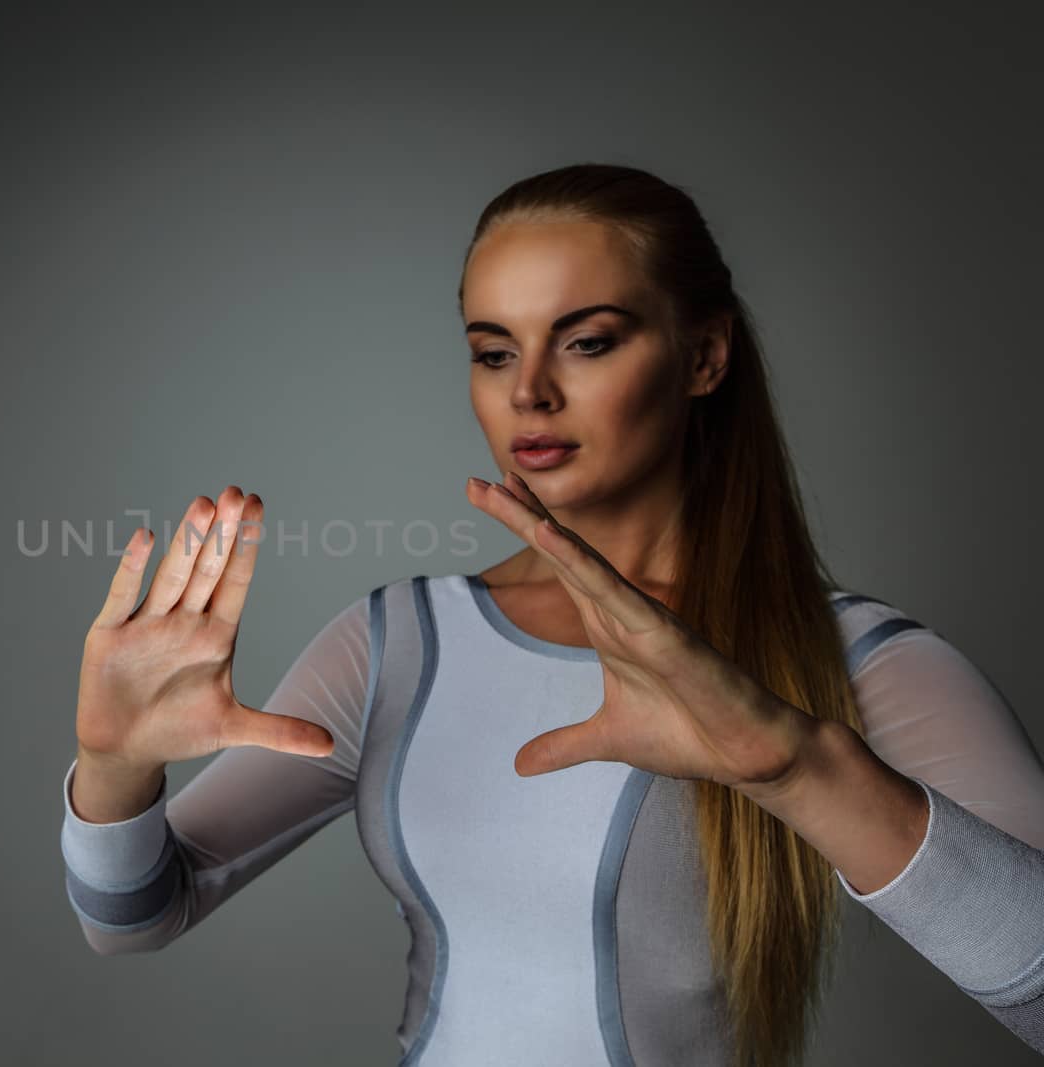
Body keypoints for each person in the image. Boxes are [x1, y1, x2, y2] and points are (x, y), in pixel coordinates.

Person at [58, 163, 1044, 1066]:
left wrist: (796, 768)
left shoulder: (857, 660)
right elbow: (133, 914)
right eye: (493, 351)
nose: (529, 391)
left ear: (703, 356)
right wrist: (114, 767)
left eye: (586, 341)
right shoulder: (399, 642)